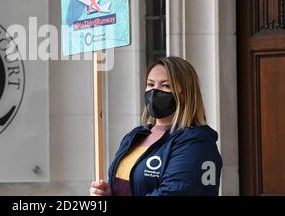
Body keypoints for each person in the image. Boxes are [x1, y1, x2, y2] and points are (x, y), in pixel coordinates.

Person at [90, 56, 223, 196]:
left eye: (165, 85)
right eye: (150, 84)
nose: (154, 92)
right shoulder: (135, 136)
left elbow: (174, 192)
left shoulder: (196, 143)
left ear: (185, 94)